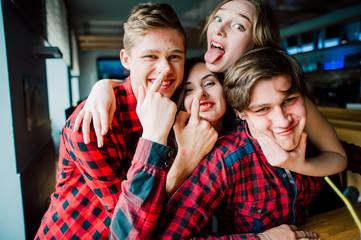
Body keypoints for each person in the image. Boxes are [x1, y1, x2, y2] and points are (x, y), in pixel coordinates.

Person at [76, 0, 346, 176]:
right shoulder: (197, 93)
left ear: (257, 41)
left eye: (239, 25)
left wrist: (298, 163)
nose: (221, 28)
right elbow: (152, 79)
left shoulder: (283, 96)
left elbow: (339, 155)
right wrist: (104, 87)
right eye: (218, 18)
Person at [34, 3, 217, 239]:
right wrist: (182, 165)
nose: (166, 68)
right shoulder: (92, 125)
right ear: (126, 59)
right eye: (151, 56)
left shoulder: (181, 106)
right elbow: (130, 229)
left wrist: (106, 84)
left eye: (175, 56)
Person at [111, 47, 324, 239]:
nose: (201, 93)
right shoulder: (216, 155)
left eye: (209, 83)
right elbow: (130, 234)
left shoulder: (262, 129)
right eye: (189, 89)